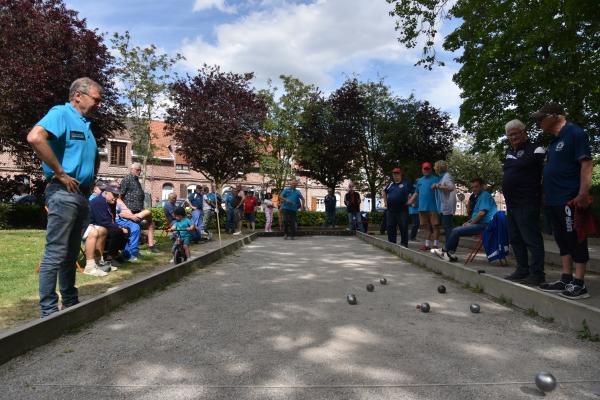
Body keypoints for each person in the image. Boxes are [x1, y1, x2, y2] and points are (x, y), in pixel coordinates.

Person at [27, 77, 102, 317]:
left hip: (80, 196)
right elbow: (35, 137)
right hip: (64, 192)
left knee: (71, 253)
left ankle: (70, 304)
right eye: (96, 99)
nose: (99, 104)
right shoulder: (61, 113)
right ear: (78, 95)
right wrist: (60, 173)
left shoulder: (85, 126)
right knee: (57, 252)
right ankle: (49, 312)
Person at [533, 103, 593, 299]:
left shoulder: (575, 133)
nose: (538, 121)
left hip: (570, 199)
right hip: (553, 200)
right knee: (561, 239)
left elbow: (586, 163)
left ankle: (579, 283)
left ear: (554, 115)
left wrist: (583, 193)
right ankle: (566, 279)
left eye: (541, 117)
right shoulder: (553, 142)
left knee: (575, 238)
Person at [501, 119, 546, 286]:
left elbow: (539, 170)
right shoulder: (509, 152)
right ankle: (522, 269)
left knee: (531, 238)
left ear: (523, 132)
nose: (513, 137)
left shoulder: (536, 149)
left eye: (516, 133)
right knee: (515, 238)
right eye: (510, 135)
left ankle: (537, 273)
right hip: (511, 203)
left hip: (527, 201)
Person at [432, 178, 497, 262]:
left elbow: (482, 213)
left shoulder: (485, 195)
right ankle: (449, 253)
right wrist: (469, 222)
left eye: (476, 187)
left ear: (482, 186)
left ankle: (445, 251)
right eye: (472, 187)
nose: (474, 189)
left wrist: (471, 224)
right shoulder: (480, 196)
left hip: (486, 226)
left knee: (456, 231)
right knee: (456, 230)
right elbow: (478, 214)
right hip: (482, 224)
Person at [120, 162, 159, 252]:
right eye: (138, 170)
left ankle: (151, 246)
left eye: (140, 170)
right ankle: (133, 246)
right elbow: (120, 196)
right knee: (137, 226)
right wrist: (125, 210)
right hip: (130, 210)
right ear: (132, 169)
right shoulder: (127, 179)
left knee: (151, 223)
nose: (139, 172)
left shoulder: (136, 180)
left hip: (138, 209)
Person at [89, 185, 128, 268]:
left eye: (117, 196)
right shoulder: (98, 202)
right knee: (116, 231)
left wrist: (120, 226)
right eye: (114, 195)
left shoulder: (111, 202)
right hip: (95, 226)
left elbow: (112, 218)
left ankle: (115, 254)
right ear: (106, 193)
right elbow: (102, 221)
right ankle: (109, 258)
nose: (116, 198)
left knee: (126, 229)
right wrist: (119, 227)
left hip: (105, 225)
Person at [408, 162, 441, 250]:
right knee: (425, 226)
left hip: (433, 207)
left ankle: (435, 245)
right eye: (424, 169)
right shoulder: (420, 181)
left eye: (428, 169)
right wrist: (410, 201)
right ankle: (427, 245)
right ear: (422, 169)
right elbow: (416, 192)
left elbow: (442, 190)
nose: (426, 170)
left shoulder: (436, 179)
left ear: (431, 170)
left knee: (435, 226)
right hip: (422, 207)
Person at [383, 167, 412, 247]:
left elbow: (413, 192)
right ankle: (392, 244)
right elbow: (384, 191)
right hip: (390, 210)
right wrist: (385, 202)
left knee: (403, 227)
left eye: (397, 174)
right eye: (394, 174)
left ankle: (404, 244)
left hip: (402, 210)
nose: (396, 175)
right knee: (390, 227)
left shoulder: (406, 183)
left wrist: (410, 200)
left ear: (400, 174)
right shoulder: (390, 184)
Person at [432, 160, 457, 245]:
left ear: (439, 168)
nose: (434, 169)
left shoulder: (447, 176)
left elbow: (451, 188)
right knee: (446, 227)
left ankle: (449, 247)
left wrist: (438, 186)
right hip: (443, 207)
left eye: (435, 167)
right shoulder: (443, 177)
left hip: (447, 207)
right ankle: (448, 246)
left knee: (448, 227)